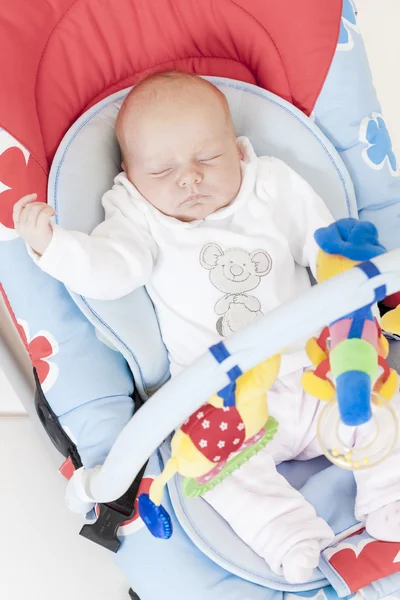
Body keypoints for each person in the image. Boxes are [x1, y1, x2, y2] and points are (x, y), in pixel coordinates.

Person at [13, 71, 400, 583]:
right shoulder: (136, 214)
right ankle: (290, 533)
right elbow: (111, 270)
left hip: (316, 371)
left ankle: (391, 496)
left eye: (208, 159)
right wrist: (55, 248)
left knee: (384, 408)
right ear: (129, 174)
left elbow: (325, 246)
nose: (189, 179)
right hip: (228, 401)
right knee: (219, 474)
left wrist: (358, 320)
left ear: (238, 149)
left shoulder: (272, 184)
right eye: (162, 170)